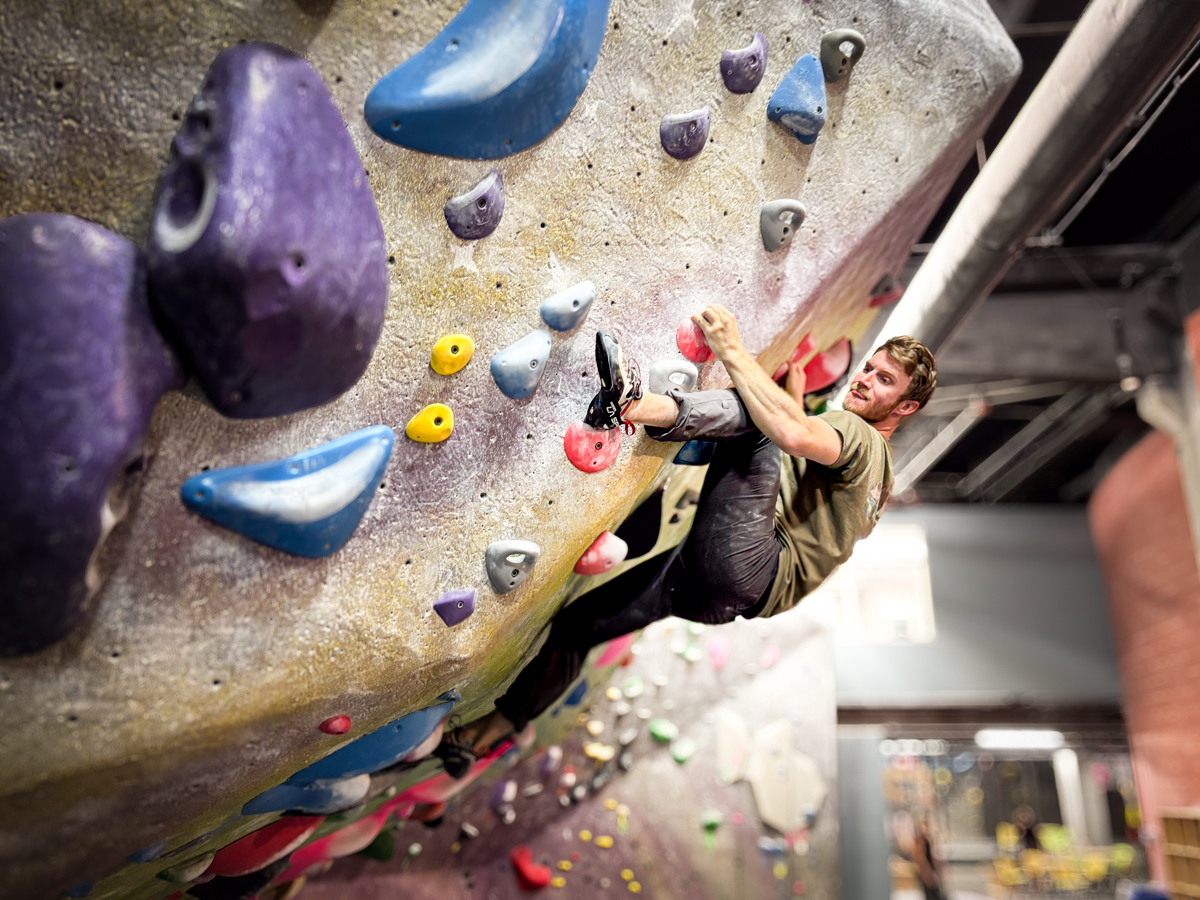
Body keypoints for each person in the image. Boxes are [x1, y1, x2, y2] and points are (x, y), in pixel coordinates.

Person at [434, 304, 937, 773]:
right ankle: (483, 735)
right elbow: (806, 454)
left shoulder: (860, 434)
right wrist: (796, 395)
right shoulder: (879, 478)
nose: (867, 380)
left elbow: (794, 436)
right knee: (579, 625)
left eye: (885, 380)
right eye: (870, 368)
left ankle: (632, 405)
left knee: (759, 424)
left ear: (907, 406)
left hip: (748, 563)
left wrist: (732, 349)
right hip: (724, 596)